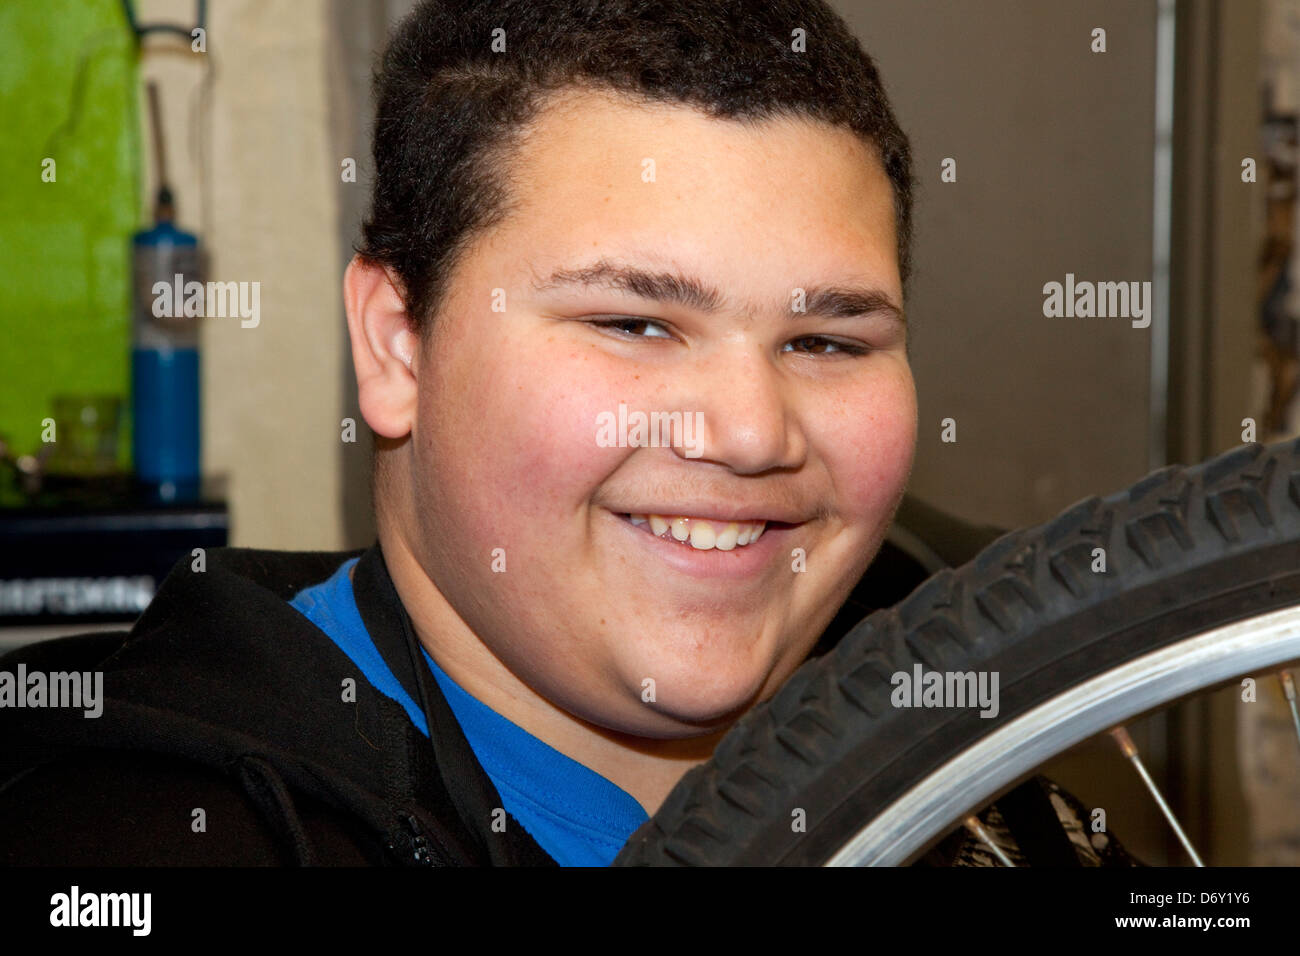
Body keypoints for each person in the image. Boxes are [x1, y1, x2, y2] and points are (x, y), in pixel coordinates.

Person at [1, 0, 1115, 867]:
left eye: (827, 340)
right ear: (397, 345)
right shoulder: (141, 841)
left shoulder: (991, 801)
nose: (748, 431)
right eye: (633, 321)